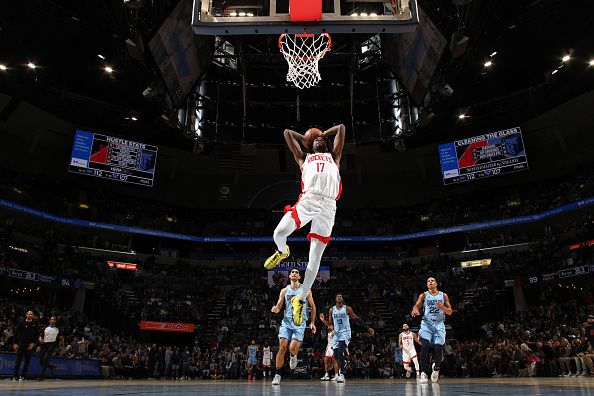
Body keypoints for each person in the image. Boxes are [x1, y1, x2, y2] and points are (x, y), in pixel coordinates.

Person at [264, 125, 345, 326]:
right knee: (279, 233)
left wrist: (322, 135)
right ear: (310, 145)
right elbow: (286, 133)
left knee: (315, 257)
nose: (320, 141)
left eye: (322, 141)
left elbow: (342, 129)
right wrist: (308, 139)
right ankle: (283, 251)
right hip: (309, 200)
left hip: (328, 206)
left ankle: (301, 298)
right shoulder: (303, 158)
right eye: (316, 141)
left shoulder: (334, 157)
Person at [270, 269, 317, 386]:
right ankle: (277, 375)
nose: (294, 273)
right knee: (282, 347)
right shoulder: (284, 290)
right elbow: (279, 305)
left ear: (299, 276)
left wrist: (312, 322)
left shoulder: (305, 290)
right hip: (286, 323)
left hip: (299, 324)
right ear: (290, 276)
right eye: (292, 272)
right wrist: (275, 309)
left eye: (296, 272)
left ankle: (293, 356)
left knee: (292, 348)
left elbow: (313, 306)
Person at [320, 294, 375, 383]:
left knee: (340, 351)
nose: (339, 297)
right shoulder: (331, 310)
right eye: (337, 296)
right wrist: (323, 320)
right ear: (335, 299)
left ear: (343, 299)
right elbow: (330, 325)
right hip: (336, 334)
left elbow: (356, 318)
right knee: (336, 355)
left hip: (345, 333)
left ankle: (342, 374)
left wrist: (368, 327)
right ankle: (342, 364)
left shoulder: (347, 309)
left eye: (340, 296)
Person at [411, 277, 453, 383]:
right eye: (428, 281)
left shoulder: (443, 295)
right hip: (426, 324)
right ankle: (423, 373)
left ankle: (436, 369)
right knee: (424, 346)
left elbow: (450, 312)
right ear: (427, 284)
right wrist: (415, 310)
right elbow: (416, 305)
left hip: (439, 325)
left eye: (432, 280)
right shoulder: (424, 295)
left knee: (438, 348)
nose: (430, 282)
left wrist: (442, 307)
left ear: (436, 284)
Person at [12, 310, 40, 381]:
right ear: (26, 315)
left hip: (29, 345)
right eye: (28, 314)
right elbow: (15, 334)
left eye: (31, 314)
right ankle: (15, 376)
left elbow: (37, 335)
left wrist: (33, 343)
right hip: (21, 344)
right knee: (18, 361)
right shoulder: (21, 323)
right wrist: (14, 343)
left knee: (27, 361)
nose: (30, 315)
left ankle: (23, 376)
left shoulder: (35, 324)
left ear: (33, 316)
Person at [37, 316, 62, 381]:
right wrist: (40, 340)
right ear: (49, 321)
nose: (53, 321)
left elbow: (61, 337)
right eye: (52, 319)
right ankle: (51, 367)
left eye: (54, 320)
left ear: (55, 321)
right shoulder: (46, 328)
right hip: (44, 345)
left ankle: (41, 376)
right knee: (42, 362)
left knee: (45, 359)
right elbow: (41, 336)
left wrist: (62, 346)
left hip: (52, 345)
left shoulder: (58, 329)